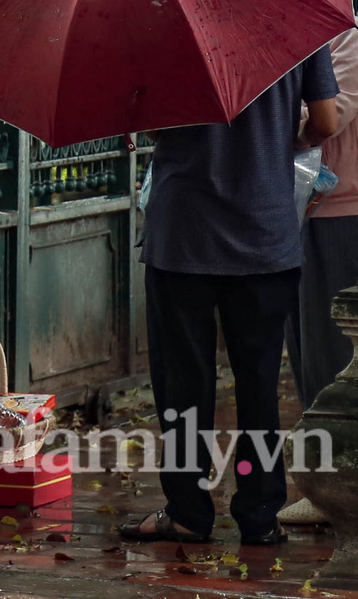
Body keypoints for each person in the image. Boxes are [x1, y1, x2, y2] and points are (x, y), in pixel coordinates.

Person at [121, 45, 342, 548]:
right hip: (264, 234)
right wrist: (283, 141)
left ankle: (188, 513)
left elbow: (153, 127)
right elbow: (326, 121)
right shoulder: (294, 26)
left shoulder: (167, 30)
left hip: (183, 236)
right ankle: (260, 515)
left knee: (183, 384)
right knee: (260, 383)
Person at [279, 0, 358, 527]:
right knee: (310, 352)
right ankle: (326, 485)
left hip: (345, 211)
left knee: (338, 355)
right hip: (305, 212)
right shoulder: (301, 43)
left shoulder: (354, 39)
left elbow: (326, 117)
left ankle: (346, 487)